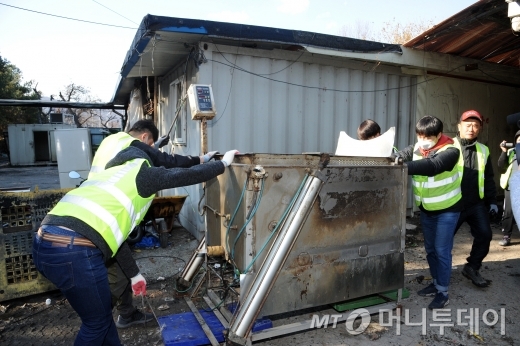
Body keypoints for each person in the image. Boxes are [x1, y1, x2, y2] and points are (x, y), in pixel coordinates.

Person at [32, 145, 239, 345]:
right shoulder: (141, 172)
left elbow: (113, 236)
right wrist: (223, 164)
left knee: (101, 317)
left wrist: (133, 275)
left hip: (43, 245)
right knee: (96, 324)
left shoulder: (104, 178)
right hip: (74, 250)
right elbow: (186, 174)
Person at [90, 119, 218, 328]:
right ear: (143, 137)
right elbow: (164, 160)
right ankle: (97, 322)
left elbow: (144, 154)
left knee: (122, 268)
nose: (150, 149)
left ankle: (126, 313)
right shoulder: (129, 145)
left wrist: (155, 147)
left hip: (100, 207)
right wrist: (202, 159)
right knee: (117, 277)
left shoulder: (112, 142)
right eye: (150, 144)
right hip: (106, 218)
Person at [396, 115, 461, 309]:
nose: (423, 140)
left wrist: (399, 167)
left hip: (447, 210)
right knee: (430, 249)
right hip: (427, 209)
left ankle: (443, 292)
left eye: (428, 137)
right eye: (420, 135)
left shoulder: (451, 150)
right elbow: (402, 153)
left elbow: (433, 166)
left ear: (439, 134)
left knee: (442, 250)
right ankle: (435, 282)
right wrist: (392, 158)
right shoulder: (417, 147)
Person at [452, 109, 497, 288]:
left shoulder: (484, 150)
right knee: (445, 241)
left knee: (485, 235)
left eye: (476, 125)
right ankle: (439, 274)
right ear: (459, 126)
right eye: (468, 124)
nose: (472, 128)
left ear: (480, 129)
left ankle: (472, 267)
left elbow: (488, 178)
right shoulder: (448, 146)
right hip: (453, 203)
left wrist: (492, 201)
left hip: (475, 204)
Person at [497, 131, 520, 246]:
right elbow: (501, 167)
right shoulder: (511, 152)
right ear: (515, 141)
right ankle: (506, 236)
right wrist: (504, 152)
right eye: (519, 140)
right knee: (508, 212)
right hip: (511, 187)